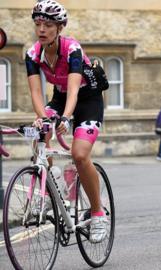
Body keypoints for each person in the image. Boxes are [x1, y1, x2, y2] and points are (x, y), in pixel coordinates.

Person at [26, 0, 107, 243]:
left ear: (59, 28)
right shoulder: (33, 54)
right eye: (38, 23)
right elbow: (36, 93)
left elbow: (74, 90)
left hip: (87, 99)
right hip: (60, 98)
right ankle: (56, 184)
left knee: (80, 155)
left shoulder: (72, 49)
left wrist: (66, 118)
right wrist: (43, 118)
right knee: (37, 134)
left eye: (48, 24)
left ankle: (98, 213)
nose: (41, 29)